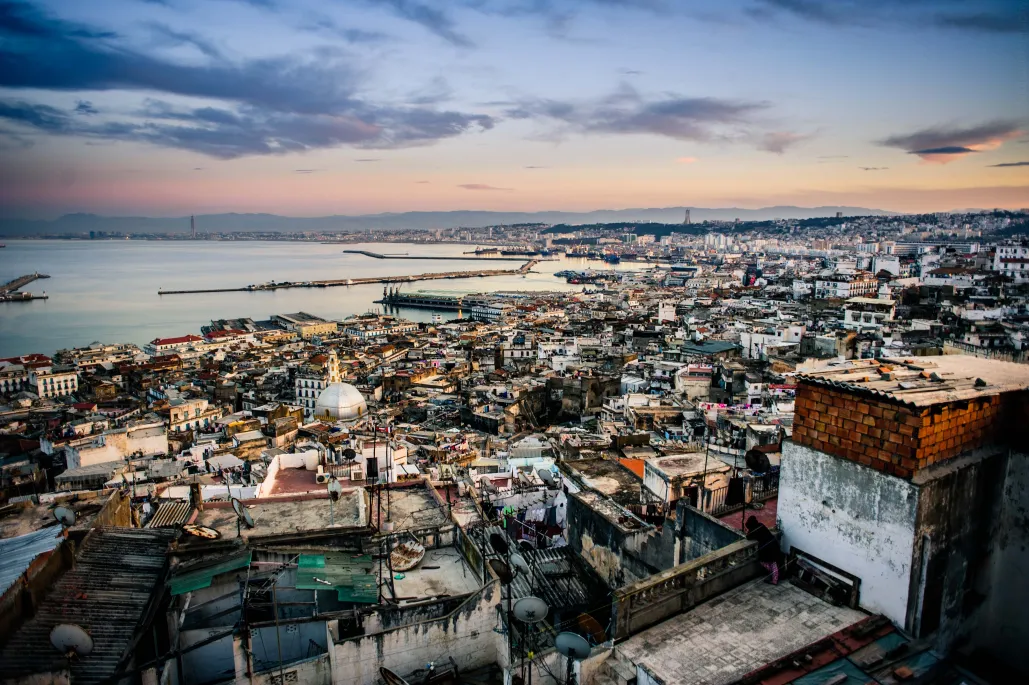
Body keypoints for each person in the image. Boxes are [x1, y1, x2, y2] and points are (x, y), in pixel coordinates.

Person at [745, 515, 784, 585]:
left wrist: (749, 531)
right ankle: (775, 577)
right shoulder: (760, 525)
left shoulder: (753, 531)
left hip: (766, 547)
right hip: (773, 543)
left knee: (765, 562)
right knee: (774, 562)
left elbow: (748, 537)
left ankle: (774, 577)